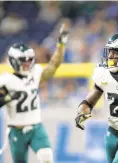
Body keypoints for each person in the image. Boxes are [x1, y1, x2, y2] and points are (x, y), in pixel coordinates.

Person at [0, 24, 69, 163]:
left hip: (36, 127)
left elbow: (54, 64)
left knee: (47, 157)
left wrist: (61, 45)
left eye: (29, 60)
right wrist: (4, 99)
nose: (27, 64)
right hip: (16, 130)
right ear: (13, 61)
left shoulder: (35, 72)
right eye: (23, 61)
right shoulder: (5, 80)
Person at [75, 32, 118, 163]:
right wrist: (82, 111)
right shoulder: (103, 73)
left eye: (115, 53)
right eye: (110, 52)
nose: (110, 56)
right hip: (113, 132)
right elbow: (89, 101)